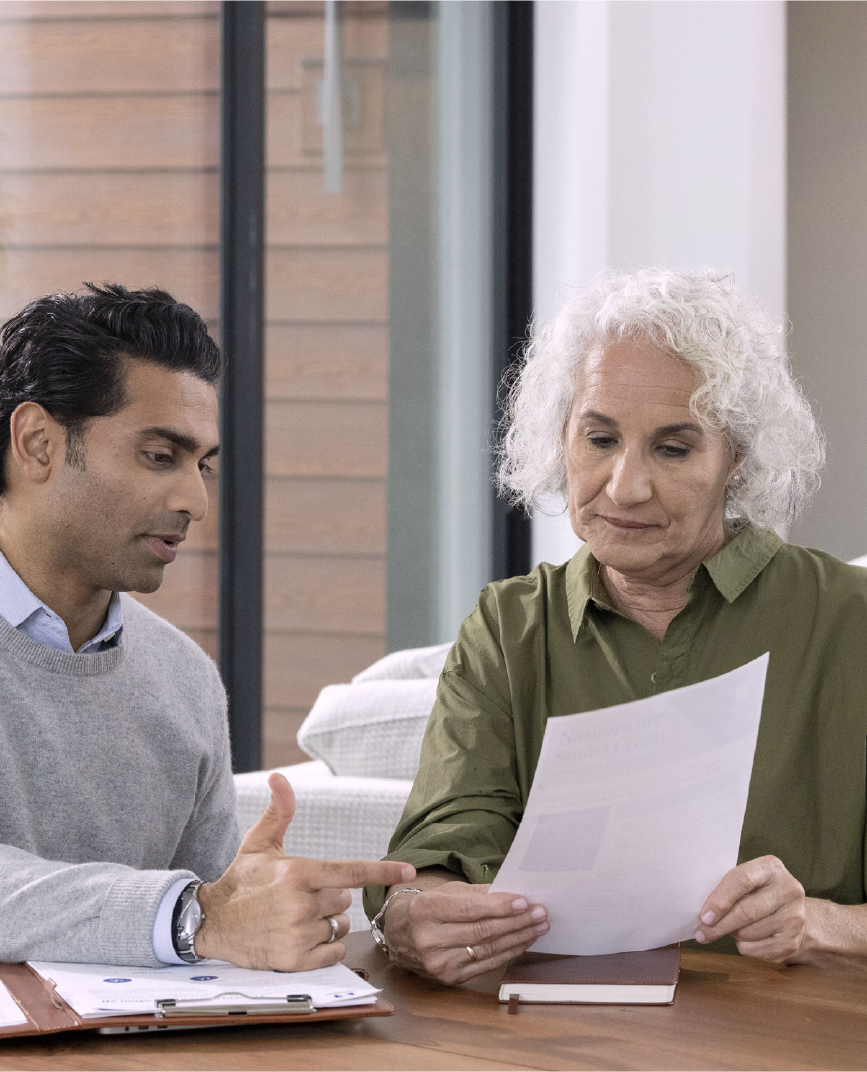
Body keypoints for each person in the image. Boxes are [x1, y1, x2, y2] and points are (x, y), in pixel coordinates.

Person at [364, 267, 867, 984]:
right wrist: (415, 913)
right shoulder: (508, 629)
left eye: (672, 448)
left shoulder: (850, 621)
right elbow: (438, 853)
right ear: (560, 437)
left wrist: (821, 923)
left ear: (737, 460)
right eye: (599, 439)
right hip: (550, 1040)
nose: (624, 487)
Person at [0, 283, 414, 969]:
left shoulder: (183, 678)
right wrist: (193, 915)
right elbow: (201, 918)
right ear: (38, 442)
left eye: (203, 465)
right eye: (160, 457)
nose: (194, 500)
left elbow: (221, 923)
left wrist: (274, 917)